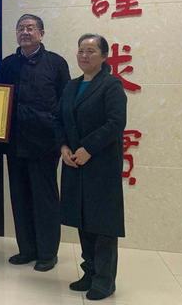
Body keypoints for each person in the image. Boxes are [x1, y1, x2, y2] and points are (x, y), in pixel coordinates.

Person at [56, 34, 126, 301]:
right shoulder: (71, 86)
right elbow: (59, 119)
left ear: (104, 56)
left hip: (101, 165)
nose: (84, 55)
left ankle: (105, 280)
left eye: (91, 51)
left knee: (102, 224)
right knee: (82, 220)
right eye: (81, 51)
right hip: (74, 163)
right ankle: (90, 271)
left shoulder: (111, 85)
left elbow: (115, 122)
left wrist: (88, 149)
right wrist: (63, 146)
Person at [0, 14, 70, 271]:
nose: (25, 32)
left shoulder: (56, 63)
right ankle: (27, 249)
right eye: (20, 28)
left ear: (41, 33)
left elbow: (65, 104)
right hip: (15, 143)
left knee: (45, 199)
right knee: (20, 197)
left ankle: (48, 253)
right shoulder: (7, 64)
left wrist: (62, 140)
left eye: (30, 28)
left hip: (45, 144)